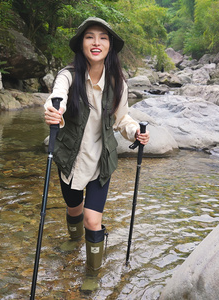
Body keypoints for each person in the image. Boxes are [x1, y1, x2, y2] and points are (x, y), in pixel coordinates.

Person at [44, 17, 150, 272]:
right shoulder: (68, 76)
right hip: (71, 159)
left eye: (103, 38)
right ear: (81, 43)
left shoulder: (118, 84)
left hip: (101, 162)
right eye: (89, 36)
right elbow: (56, 98)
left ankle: (92, 273)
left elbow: (122, 118)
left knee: (92, 220)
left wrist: (135, 131)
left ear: (110, 46)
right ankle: (74, 241)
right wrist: (52, 111)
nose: (96, 42)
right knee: (73, 209)